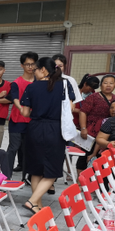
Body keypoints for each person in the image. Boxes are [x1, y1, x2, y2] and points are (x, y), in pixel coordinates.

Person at [19, 57, 75, 213]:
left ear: (43, 69)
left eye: (35, 69)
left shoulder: (32, 87)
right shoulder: (64, 84)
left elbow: (25, 113)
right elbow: (70, 106)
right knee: (52, 171)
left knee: (36, 169)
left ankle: (36, 204)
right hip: (55, 129)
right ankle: (33, 202)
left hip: (35, 128)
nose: (33, 72)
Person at [78, 74, 115, 168]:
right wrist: (83, 128)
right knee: (86, 156)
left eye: (111, 83)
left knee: (103, 157)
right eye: (105, 83)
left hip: (108, 133)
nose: (108, 85)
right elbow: (83, 112)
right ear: (101, 85)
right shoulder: (93, 97)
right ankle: (81, 180)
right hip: (92, 132)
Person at [7, 52, 38, 175]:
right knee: (13, 147)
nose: (30, 67)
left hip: (33, 121)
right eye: (27, 64)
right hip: (17, 120)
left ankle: (26, 175)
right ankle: (6, 173)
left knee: (28, 149)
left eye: (33, 64)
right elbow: (14, 98)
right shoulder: (16, 82)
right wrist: (21, 108)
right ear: (22, 66)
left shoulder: (38, 82)